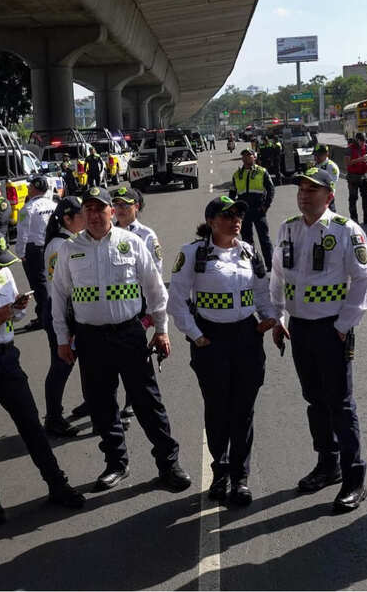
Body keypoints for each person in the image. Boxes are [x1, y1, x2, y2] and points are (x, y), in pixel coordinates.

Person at [50, 186, 191, 493]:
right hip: (90, 340)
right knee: (102, 405)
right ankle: (116, 463)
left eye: (100, 209)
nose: (94, 215)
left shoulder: (131, 243)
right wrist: (63, 339)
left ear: (111, 212)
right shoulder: (70, 248)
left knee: (148, 403)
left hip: (129, 334)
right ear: (83, 214)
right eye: (88, 210)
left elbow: (155, 290)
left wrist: (162, 329)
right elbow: (59, 297)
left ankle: (168, 464)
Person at [0, 228, 86, 524]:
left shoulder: (4, 274)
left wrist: (18, 309)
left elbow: (14, 315)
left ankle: (57, 484)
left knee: (32, 424)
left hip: (7, 357)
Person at [270, 167, 367, 512]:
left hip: (332, 328)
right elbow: (278, 277)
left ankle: (354, 476)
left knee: (340, 403)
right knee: (315, 400)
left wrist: (343, 325)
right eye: (301, 188)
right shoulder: (288, 228)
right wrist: (278, 317)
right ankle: (328, 464)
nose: (304, 194)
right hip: (300, 328)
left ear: (329, 196)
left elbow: (361, 282)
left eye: (313, 189)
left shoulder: (346, 231)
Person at [168, 196, 277, 506]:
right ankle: (221, 471)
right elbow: (176, 298)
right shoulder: (193, 254)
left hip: (245, 336)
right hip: (211, 340)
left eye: (238, 215)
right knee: (217, 408)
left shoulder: (249, 252)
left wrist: (270, 317)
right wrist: (195, 335)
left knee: (243, 410)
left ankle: (240, 478)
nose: (235, 220)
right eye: (228, 216)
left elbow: (260, 291)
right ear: (212, 221)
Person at [111, 185, 160, 423]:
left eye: (125, 205)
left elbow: (155, 277)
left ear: (136, 207)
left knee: (136, 356)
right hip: (112, 306)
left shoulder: (147, 235)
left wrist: (151, 314)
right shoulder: (105, 233)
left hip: (137, 305)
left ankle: (133, 401)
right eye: (117, 205)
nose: (120, 209)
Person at [42, 196, 87, 436]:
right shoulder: (58, 246)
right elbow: (59, 288)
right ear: (68, 219)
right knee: (62, 364)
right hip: (64, 314)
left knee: (83, 363)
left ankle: (91, 403)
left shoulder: (72, 240)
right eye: (82, 215)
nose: (87, 218)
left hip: (76, 312)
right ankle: (53, 417)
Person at [15, 176, 56, 331]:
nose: (28, 189)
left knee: (39, 285)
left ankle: (44, 318)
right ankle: (48, 314)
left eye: (29, 186)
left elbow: (22, 232)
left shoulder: (28, 208)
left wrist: (20, 252)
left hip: (34, 250)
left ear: (34, 188)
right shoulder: (53, 205)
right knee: (51, 282)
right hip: (51, 247)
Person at [229, 149, 275, 271]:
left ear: (254, 157)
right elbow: (232, 194)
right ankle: (253, 266)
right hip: (244, 213)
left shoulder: (262, 171)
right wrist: (233, 211)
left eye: (249, 155)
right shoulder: (237, 175)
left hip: (259, 210)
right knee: (247, 241)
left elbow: (271, 189)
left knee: (264, 239)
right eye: (244, 156)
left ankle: (271, 265)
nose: (246, 158)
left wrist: (266, 206)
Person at [345, 132, 367, 224]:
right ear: (357, 140)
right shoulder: (349, 149)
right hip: (353, 176)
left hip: (363, 174)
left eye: (364, 141)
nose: (363, 143)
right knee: (353, 198)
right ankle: (354, 218)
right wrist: (361, 159)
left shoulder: (365, 147)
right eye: (362, 141)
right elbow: (347, 163)